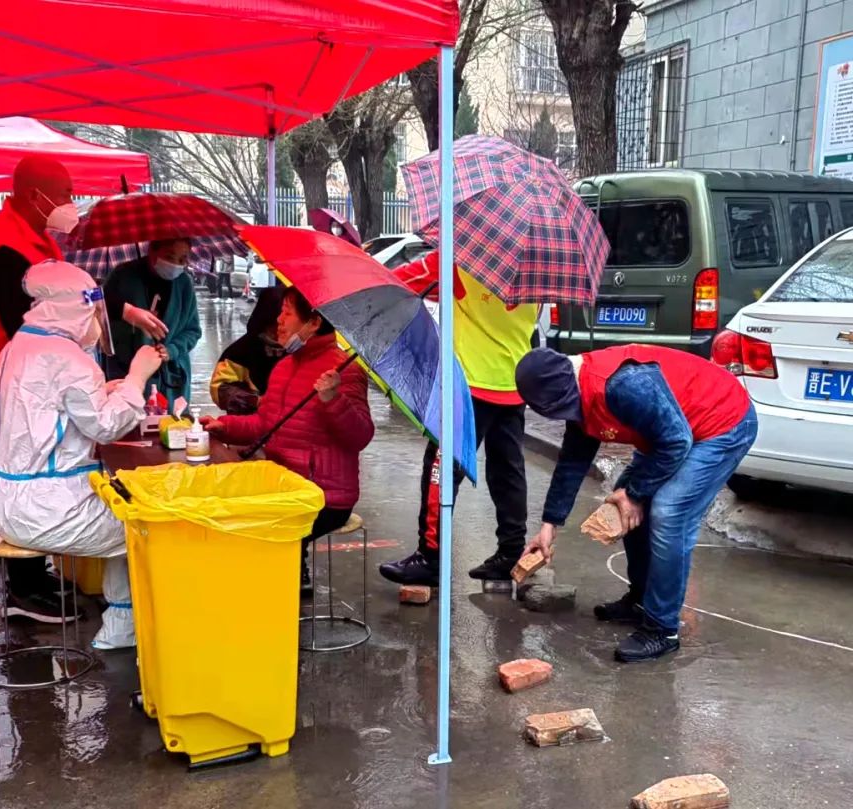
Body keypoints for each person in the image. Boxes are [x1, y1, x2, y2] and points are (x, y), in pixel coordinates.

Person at [515, 345, 758, 663]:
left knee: (669, 513)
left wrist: (635, 494)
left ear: (570, 384)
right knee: (625, 502)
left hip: (723, 422)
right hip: (673, 432)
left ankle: (662, 630)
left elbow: (677, 442)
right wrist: (549, 526)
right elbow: (572, 461)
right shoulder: (578, 396)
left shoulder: (623, 385)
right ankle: (642, 600)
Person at [0, 260, 163, 649]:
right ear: (75, 308)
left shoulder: (19, 346)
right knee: (148, 523)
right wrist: (137, 378)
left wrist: (107, 391)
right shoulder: (67, 357)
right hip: (47, 510)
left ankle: (123, 625)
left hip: (6, 503)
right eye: (92, 311)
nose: (96, 321)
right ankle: (128, 626)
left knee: (124, 511)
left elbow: (54, 407)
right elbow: (106, 427)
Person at [379, 253, 536, 588]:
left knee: (440, 471)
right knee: (508, 473)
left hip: (470, 388)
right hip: (515, 383)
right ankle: (510, 553)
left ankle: (430, 557)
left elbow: (398, 281)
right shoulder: (537, 268)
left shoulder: (461, 260)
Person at [204, 287, 374, 589]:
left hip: (322, 496)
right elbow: (265, 424)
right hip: (283, 485)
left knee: (251, 530)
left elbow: (360, 437)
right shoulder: (284, 367)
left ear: (313, 322)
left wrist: (333, 400)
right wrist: (223, 426)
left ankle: (281, 588)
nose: (278, 321)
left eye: (287, 313)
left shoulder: (344, 371)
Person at [0, 156, 77, 622]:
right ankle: (23, 588)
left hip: (37, 379)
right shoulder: (3, 246)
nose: (71, 203)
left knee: (39, 474)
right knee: (20, 478)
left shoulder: (38, 239)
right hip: (10, 382)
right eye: (66, 194)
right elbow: (26, 320)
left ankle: (33, 568)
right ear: (37, 196)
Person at [105, 238, 202, 405]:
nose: (176, 264)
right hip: (126, 372)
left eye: (182, 259)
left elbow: (193, 331)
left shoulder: (184, 283)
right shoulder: (123, 275)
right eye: (169, 257)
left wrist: (172, 350)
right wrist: (129, 315)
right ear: (152, 251)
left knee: (170, 420)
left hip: (171, 379)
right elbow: (98, 308)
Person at [210, 286, 285, 415]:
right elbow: (220, 388)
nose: (282, 323)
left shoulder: (301, 349)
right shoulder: (239, 352)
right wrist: (254, 401)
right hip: (248, 420)